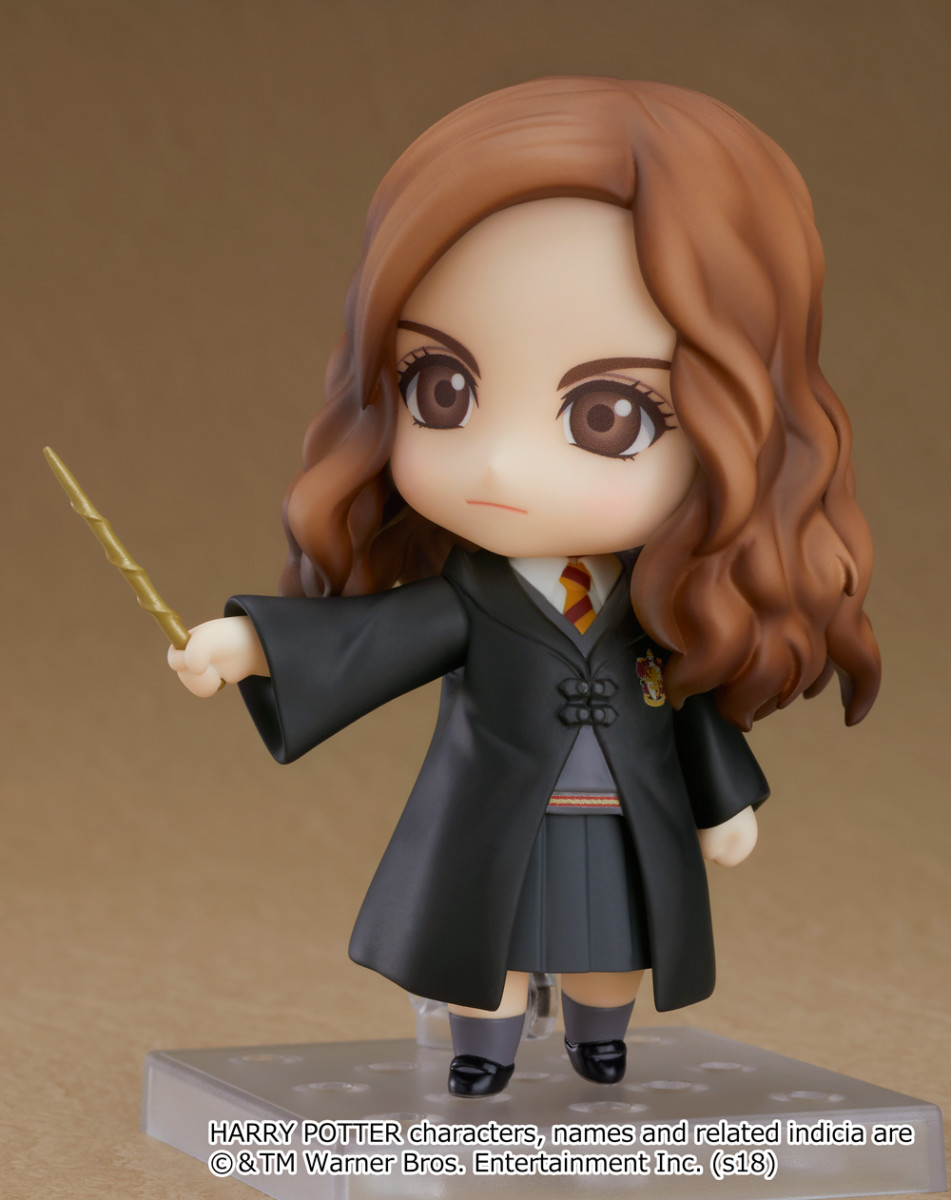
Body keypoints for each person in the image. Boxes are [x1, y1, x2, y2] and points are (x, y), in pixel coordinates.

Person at [168, 79, 881, 1097]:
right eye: (442, 388)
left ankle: (600, 1036)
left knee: (612, 937)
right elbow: (375, 638)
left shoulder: (657, 607)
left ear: (741, 425)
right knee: (487, 938)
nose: (500, 465)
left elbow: (686, 707)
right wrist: (249, 645)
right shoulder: (470, 597)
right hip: (493, 814)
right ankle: (483, 1049)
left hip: (624, 811)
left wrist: (723, 802)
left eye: (608, 415)